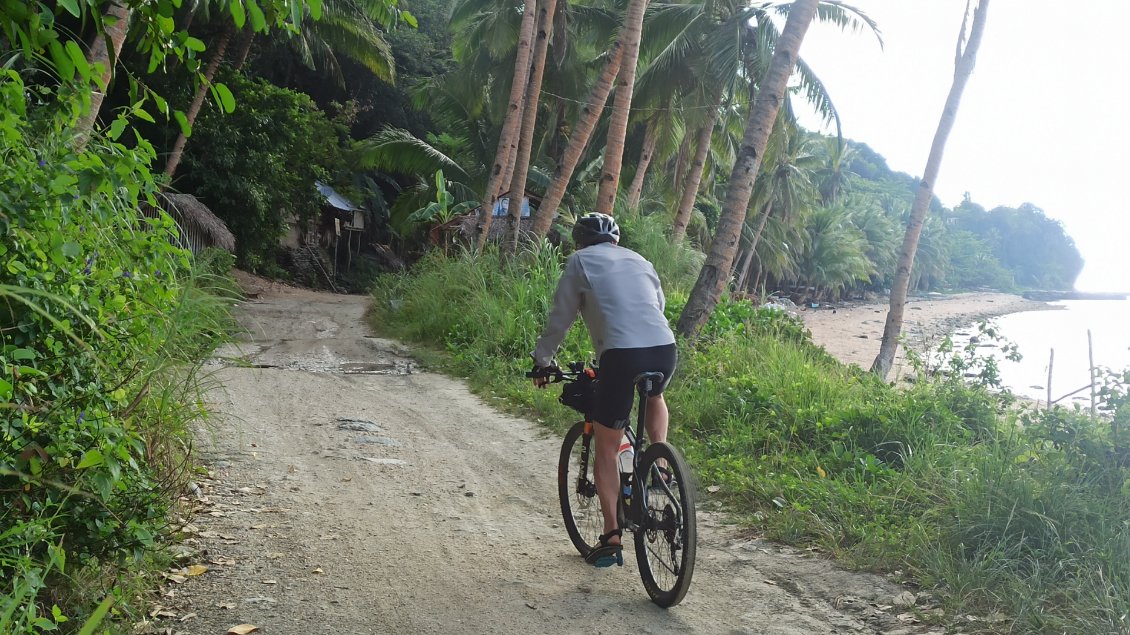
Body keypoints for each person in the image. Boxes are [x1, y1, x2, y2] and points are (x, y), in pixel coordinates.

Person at [531, 212, 677, 568]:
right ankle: (660, 463)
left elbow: (560, 317)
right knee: (654, 395)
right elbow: (657, 306)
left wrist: (543, 359)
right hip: (663, 347)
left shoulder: (579, 261)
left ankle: (611, 536)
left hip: (621, 355)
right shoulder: (640, 259)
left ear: (579, 241)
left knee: (607, 448)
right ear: (615, 240)